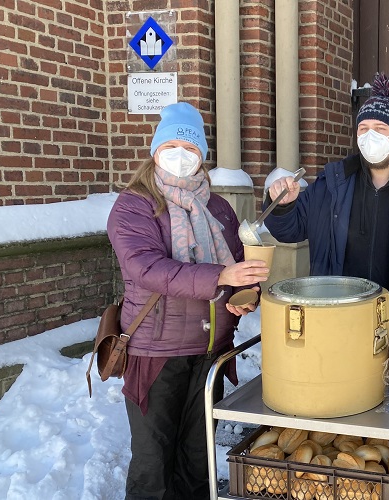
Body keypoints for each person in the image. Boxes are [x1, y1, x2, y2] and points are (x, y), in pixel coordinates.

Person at [107, 102, 269, 499]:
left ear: (202, 156)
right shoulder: (134, 205)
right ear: (156, 149)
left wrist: (244, 295)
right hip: (154, 352)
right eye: (172, 145)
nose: (181, 155)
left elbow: (237, 266)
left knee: (197, 460)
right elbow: (147, 269)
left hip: (209, 349)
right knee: (152, 463)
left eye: (191, 148)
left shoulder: (219, 209)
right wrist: (221, 277)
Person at [264, 72, 389, 367]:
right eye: (363, 128)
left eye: (379, 127)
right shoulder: (332, 185)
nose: (369, 135)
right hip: (338, 330)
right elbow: (290, 229)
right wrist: (283, 205)